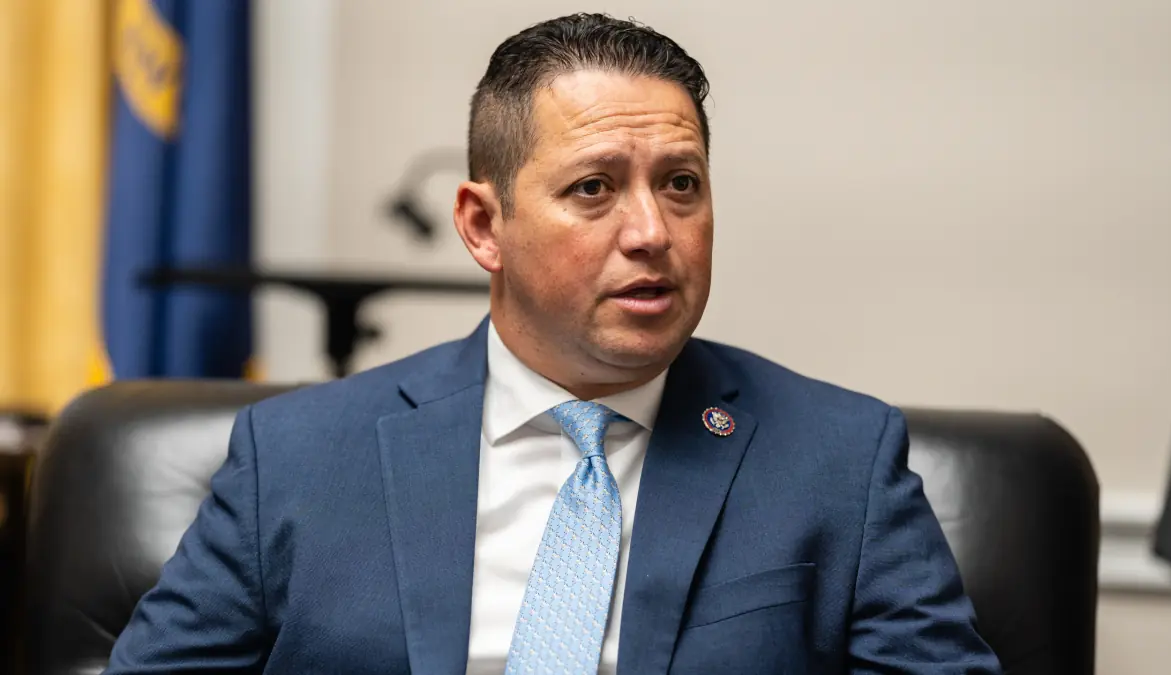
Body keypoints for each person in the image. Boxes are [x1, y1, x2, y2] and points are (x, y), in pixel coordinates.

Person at [105, 13, 1002, 675]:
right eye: (593, 189)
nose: (652, 231)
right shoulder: (297, 456)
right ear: (482, 225)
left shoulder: (839, 459)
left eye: (681, 183)